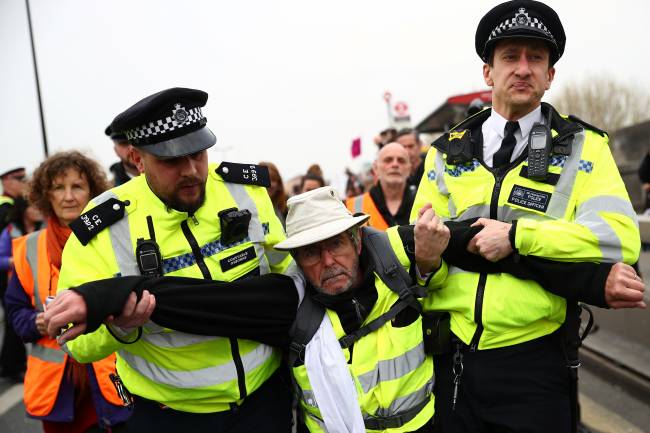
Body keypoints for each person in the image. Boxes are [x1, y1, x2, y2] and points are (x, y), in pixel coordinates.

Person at [44, 184, 645, 433]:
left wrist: (594, 279)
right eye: (309, 252)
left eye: (336, 243)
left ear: (359, 237)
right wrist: (98, 299)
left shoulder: (399, 253)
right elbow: (194, 302)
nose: (327, 260)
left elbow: (495, 244)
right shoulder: (285, 299)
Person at [411, 1, 641, 432]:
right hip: (449, 358)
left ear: (550, 75)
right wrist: (425, 260)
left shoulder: (583, 147)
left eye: (536, 58)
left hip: (534, 365)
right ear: (488, 72)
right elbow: (420, 247)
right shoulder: (445, 152)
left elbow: (619, 238)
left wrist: (519, 237)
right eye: (510, 57)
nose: (523, 68)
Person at [55, 88, 301, 433]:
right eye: (171, 159)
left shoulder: (244, 190)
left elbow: (289, 274)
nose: (191, 170)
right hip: (170, 416)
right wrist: (121, 326)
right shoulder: (103, 226)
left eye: (198, 153)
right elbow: (76, 344)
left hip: (264, 402)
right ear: (137, 160)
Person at [5, 151, 129, 432]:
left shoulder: (117, 237)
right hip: (59, 390)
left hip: (113, 378)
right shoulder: (28, 248)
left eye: (78, 186)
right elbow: (15, 312)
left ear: (93, 191)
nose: (68, 196)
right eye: (58, 188)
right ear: (45, 195)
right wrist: (37, 322)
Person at [0, 196, 42, 383]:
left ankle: (24, 365)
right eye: (32, 207)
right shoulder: (11, 231)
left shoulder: (45, 228)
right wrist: (16, 261)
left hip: (39, 286)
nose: (36, 210)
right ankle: (12, 367)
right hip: (16, 285)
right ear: (24, 210)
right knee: (14, 327)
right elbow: (0, 258)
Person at [346, 142, 414, 230]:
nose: (395, 164)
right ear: (375, 168)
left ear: (409, 168)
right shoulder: (352, 206)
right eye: (388, 160)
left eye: (401, 160)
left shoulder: (424, 202)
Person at [0, 165, 27, 381]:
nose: (22, 183)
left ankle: (11, 363)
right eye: (19, 179)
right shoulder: (5, 208)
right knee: (13, 318)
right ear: (7, 181)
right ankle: (11, 365)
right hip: (4, 272)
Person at [259, 161, 288, 226]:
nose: (271, 184)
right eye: (266, 179)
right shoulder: (249, 209)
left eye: (274, 180)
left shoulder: (284, 210)